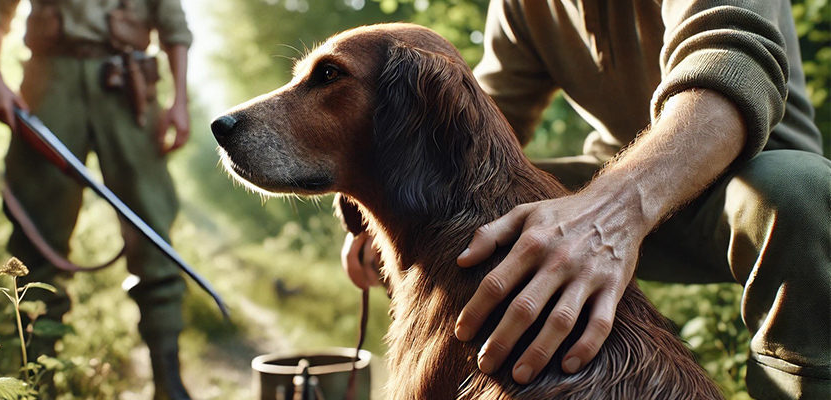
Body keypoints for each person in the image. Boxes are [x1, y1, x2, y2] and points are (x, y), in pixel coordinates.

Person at [342, 1, 830, 398]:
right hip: (613, 171)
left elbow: (732, 59)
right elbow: (483, 125)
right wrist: (387, 210)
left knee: (798, 188)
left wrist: (610, 214)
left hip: (739, 183)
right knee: (470, 200)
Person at [0, 0, 192, 398]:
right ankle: (37, 379)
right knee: (36, 234)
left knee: (153, 231)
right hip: (48, 83)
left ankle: (167, 378)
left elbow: (172, 21)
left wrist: (180, 101)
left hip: (130, 88)